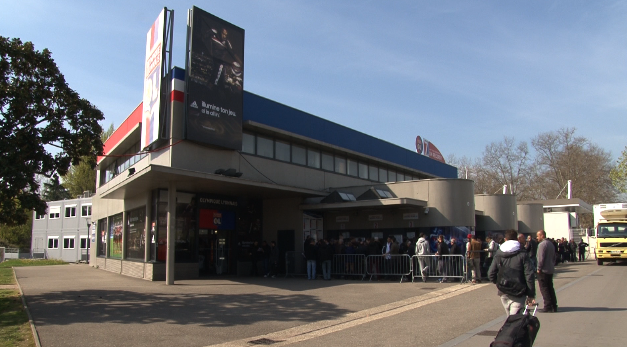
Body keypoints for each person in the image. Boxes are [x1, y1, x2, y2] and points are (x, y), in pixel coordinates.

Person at [488, 229, 536, 316]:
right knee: (515, 320)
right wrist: (531, 294)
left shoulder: (499, 253)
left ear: (505, 239)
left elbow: (491, 273)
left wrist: (498, 282)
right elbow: (529, 274)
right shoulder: (522, 253)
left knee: (509, 319)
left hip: (503, 290)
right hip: (519, 290)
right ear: (517, 239)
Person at [536, 230, 558, 313]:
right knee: (550, 287)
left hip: (543, 270)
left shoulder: (542, 245)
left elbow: (540, 258)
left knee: (544, 288)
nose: (537, 238)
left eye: (538, 236)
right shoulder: (551, 244)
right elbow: (554, 257)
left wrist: (539, 268)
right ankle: (554, 305)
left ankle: (547, 306)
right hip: (550, 269)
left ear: (542, 236)